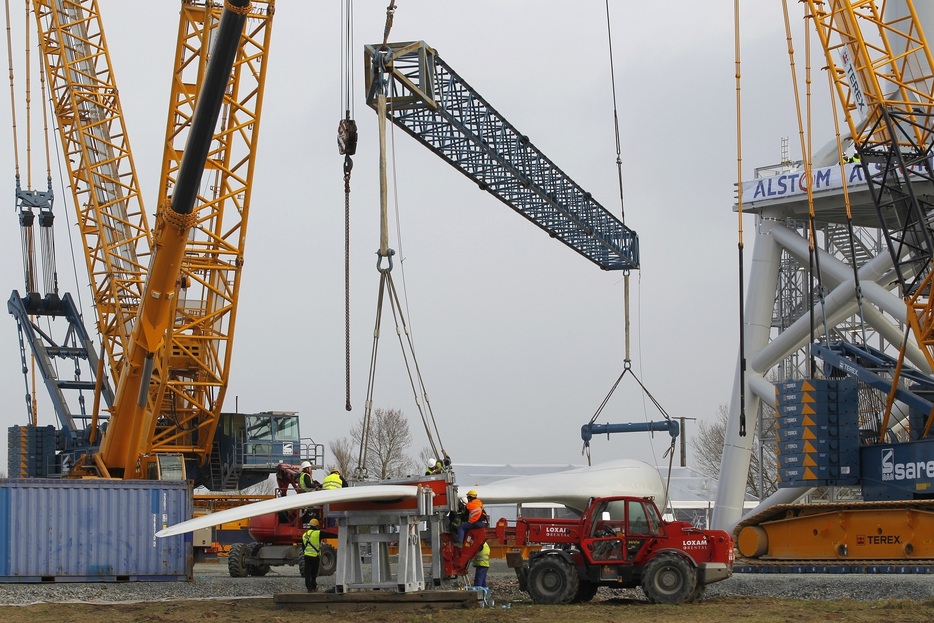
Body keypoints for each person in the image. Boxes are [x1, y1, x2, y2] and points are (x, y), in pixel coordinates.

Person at [302, 518, 322, 592]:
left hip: (307, 556)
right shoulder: (318, 533)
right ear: (317, 526)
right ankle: (314, 586)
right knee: (314, 573)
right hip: (315, 557)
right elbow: (329, 535)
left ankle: (309, 588)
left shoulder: (304, 535)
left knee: (307, 573)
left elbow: (303, 547)